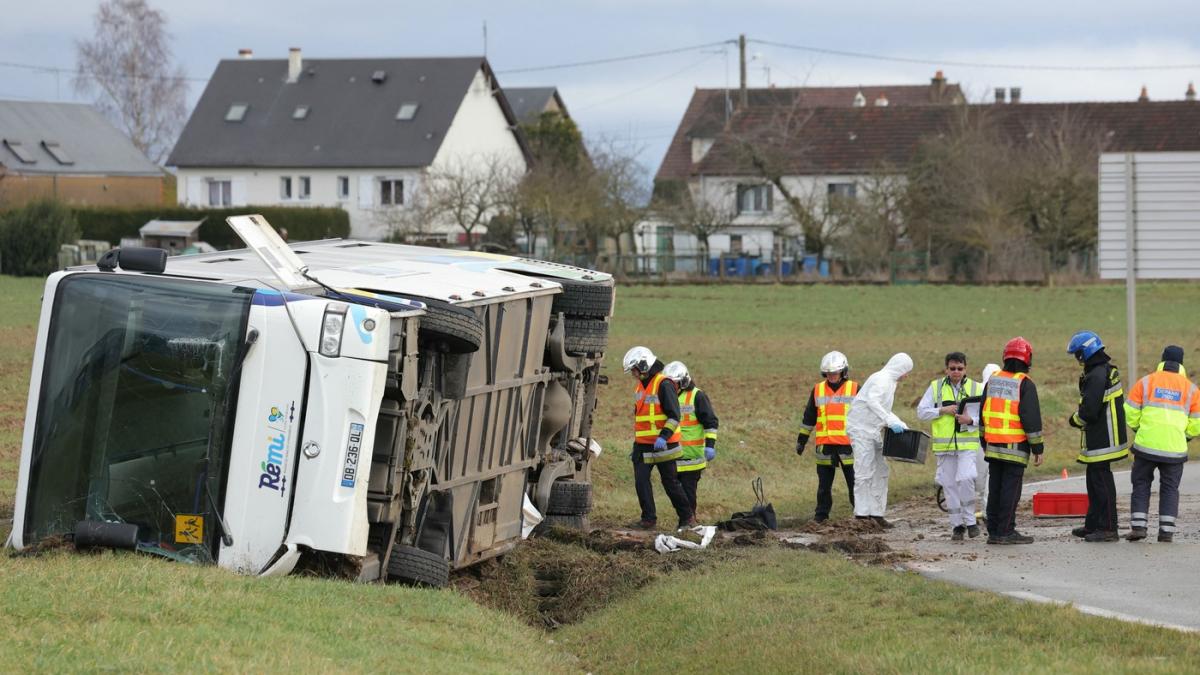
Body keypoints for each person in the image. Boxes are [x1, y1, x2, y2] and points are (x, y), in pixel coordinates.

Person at [1123, 345, 1200, 543]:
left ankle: (1139, 527)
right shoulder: (1191, 388)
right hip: (1174, 449)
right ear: (1181, 363)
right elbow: (1197, 422)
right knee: (1170, 488)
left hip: (1146, 446)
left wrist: (1139, 428)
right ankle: (1166, 531)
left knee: (1141, 484)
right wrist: (1185, 436)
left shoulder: (1146, 382)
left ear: (1163, 360)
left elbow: (1130, 411)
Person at [1065, 331, 1130, 543]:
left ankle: (1109, 528)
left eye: (1078, 354)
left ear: (1086, 352)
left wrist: (1074, 419)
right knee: (1094, 483)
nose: (1077, 359)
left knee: (1101, 484)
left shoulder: (1096, 375)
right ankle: (1092, 524)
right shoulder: (1103, 370)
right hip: (1103, 437)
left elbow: (1089, 411)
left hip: (1104, 439)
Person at [622, 346, 694, 530]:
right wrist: (637, 445)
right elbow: (641, 417)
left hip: (664, 445)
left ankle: (687, 518)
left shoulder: (664, 384)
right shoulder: (640, 387)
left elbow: (674, 415)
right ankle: (648, 519)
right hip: (643, 446)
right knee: (641, 482)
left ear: (644, 366)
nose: (633, 374)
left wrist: (663, 437)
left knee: (670, 483)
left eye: (634, 370)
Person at [981, 337, 1044, 545]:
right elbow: (1031, 418)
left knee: (996, 489)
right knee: (1010, 492)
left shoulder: (993, 379)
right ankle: (1006, 531)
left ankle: (993, 531)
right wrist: (1038, 448)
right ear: (1027, 359)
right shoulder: (1024, 384)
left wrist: (984, 441)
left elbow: (983, 412)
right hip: (1015, 447)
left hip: (992, 446)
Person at [917, 352, 983, 541]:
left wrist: (971, 420)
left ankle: (971, 521)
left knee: (966, 478)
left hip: (967, 445)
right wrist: (942, 410)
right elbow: (921, 412)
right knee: (949, 485)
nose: (956, 372)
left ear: (965, 369)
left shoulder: (976, 387)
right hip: (944, 446)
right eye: (952, 368)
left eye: (959, 368)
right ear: (946, 369)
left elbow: (985, 417)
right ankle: (957, 526)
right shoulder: (936, 387)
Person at [847, 353, 913, 528]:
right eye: (906, 371)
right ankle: (861, 515)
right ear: (900, 368)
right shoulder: (881, 379)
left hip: (873, 429)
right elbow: (872, 401)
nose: (906, 376)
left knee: (881, 470)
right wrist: (889, 419)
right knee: (864, 471)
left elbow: (881, 407)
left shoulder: (890, 382)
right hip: (861, 429)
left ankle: (877, 514)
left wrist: (897, 421)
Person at [796, 351, 858, 523]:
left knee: (854, 483)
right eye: (828, 374)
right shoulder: (818, 390)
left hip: (848, 445)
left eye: (835, 373)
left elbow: (865, 415)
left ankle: (861, 514)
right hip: (825, 446)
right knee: (824, 486)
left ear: (843, 372)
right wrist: (802, 440)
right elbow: (809, 417)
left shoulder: (855, 388)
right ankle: (821, 516)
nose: (831, 376)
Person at [665, 361, 719, 519]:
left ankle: (690, 521)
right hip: (673, 456)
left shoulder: (697, 396)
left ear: (683, 381)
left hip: (692, 457)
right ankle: (686, 520)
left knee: (688, 492)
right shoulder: (667, 396)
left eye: (674, 383)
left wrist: (710, 446)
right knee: (675, 493)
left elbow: (711, 422)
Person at [976, 363, 1001, 523]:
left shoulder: (976, 388)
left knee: (978, 479)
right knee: (991, 479)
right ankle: (988, 512)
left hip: (976, 440)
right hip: (995, 439)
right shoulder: (1001, 390)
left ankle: (966, 516)